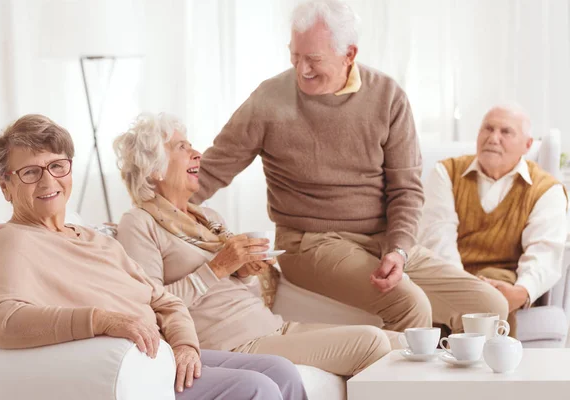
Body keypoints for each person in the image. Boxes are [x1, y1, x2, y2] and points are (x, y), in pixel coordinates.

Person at [189, 0, 509, 334]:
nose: (302, 70)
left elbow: (406, 190)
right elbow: (210, 171)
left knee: (490, 306)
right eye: (295, 56)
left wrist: (399, 249)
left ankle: (457, 384)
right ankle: (401, 387)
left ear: (350, 54)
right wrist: (153, 207)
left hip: (382, 238)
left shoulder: (387, 96)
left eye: (313, 59)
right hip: (309, 243)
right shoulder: (269, 100)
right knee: (410, 303)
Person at [0, 114, 307, 400]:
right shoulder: (9, 244)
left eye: (57, 166)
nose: (49, 180)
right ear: (5, 186)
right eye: (30, 172)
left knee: (281, 369)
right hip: (133, 369)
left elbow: (165, 302)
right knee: (254, 388)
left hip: (164, 355)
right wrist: (101, 320)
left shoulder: (96, 241)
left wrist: (186, 344)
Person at [114, 112, 391, 377]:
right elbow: (150, 307)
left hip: (274, 328)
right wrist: (218, 268)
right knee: (371, 342)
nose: (197, 153)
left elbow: (245, 293)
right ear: (154, 169)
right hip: (234, 345)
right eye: (182, 147)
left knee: (400, 343)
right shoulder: (139, 223)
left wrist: (245, 273)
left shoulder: (208, 218)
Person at [419, 105, 568, 337]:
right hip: (449, 277)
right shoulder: (445, 172)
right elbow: (438, 239)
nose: (493, 138)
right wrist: (464, 290)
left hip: (506, 283)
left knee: (494, 289)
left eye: (506, 132)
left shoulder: (547, 189)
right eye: (487, 128)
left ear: (528, 145)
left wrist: (521, 291)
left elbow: (544, 253)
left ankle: (473, 364)